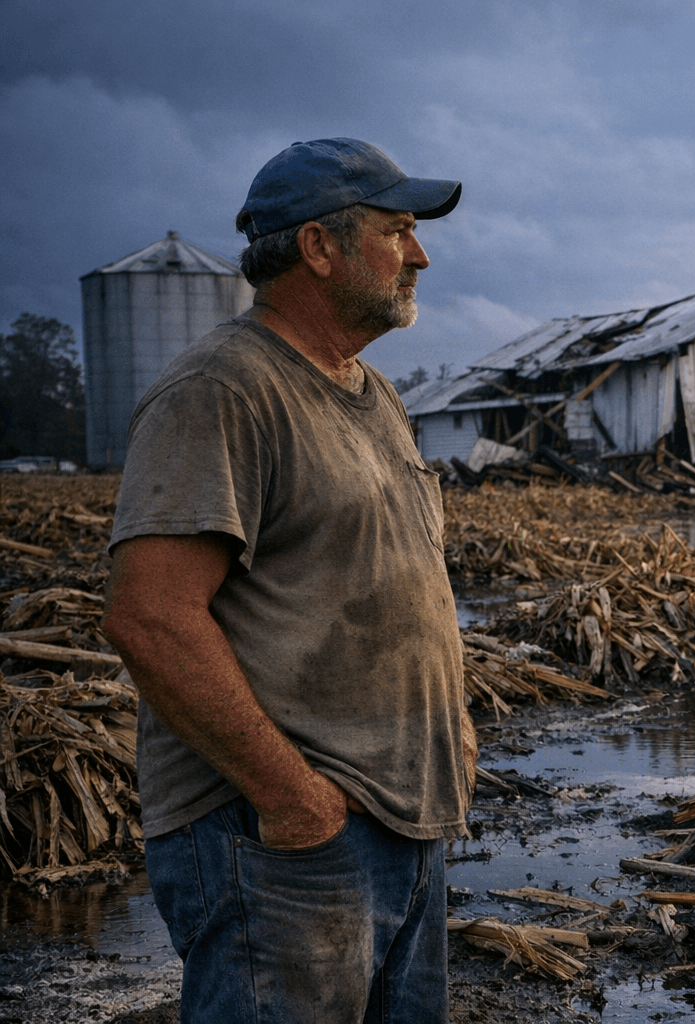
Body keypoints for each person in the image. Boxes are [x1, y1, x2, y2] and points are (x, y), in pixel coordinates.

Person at [102, 138, 474, 1023]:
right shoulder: (221, 391)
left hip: (400, 824)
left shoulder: (372, 393)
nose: (419, 253)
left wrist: (450, 728)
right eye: (398, 230)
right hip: (286, 841)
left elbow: (400, 579)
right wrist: (292, 800)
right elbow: (150, 618)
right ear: (319, 247)